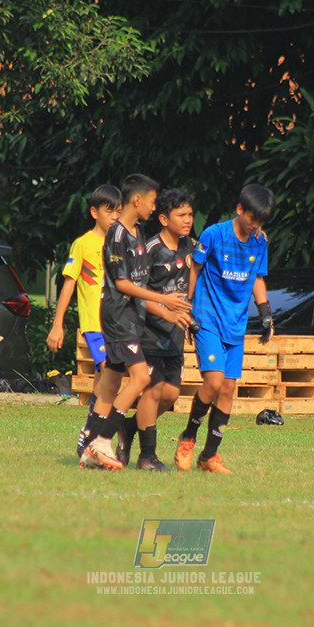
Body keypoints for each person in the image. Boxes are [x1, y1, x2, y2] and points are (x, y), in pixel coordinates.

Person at [78, 174, 192, 470]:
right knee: (141, 379)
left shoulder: (138, 230)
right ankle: (101, 443)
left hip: (133, 318)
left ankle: (87, 443)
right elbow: (124, 284)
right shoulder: (116, 235)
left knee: (111, 383)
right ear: (137, 200)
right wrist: (163, 299)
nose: (154, 208)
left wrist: (165, 312)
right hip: (118, 318)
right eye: (152, 202)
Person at [174, 184, 276, 475]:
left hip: (236, 323)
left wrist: (265, 312)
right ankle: (187, 438)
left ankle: (210, 456)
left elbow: (257, 278)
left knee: (229, 388)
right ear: (240, 209)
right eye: (252, 218)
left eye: (261, 221)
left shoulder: (259, 241)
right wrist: (188, 307)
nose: (256, 225)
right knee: (214, 381)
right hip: (207, 318)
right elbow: (195, 268)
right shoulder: (214, 235)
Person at [117, 187, 197, 471]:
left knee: (171, 394)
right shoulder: (150, 249)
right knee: (152, 391)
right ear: (164, 219)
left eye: (190, 214)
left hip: (174, 335)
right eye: (181, 215)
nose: (188, 220)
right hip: (149, 332)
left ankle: (129, 428)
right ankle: (147, 456)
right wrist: (165, 311)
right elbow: (137, 293)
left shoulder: (191, 247)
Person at [45, 184, 122, 457]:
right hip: (95, 325)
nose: (114, 216)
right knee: (105, 370)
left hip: (119, 325)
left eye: (118, 211)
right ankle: (92, 434)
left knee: (109, 379)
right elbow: (69, 284)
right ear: (94, 212)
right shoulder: (82, 244)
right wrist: (58, 324)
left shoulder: (122, 244)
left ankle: (98, 431)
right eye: (108, 210)